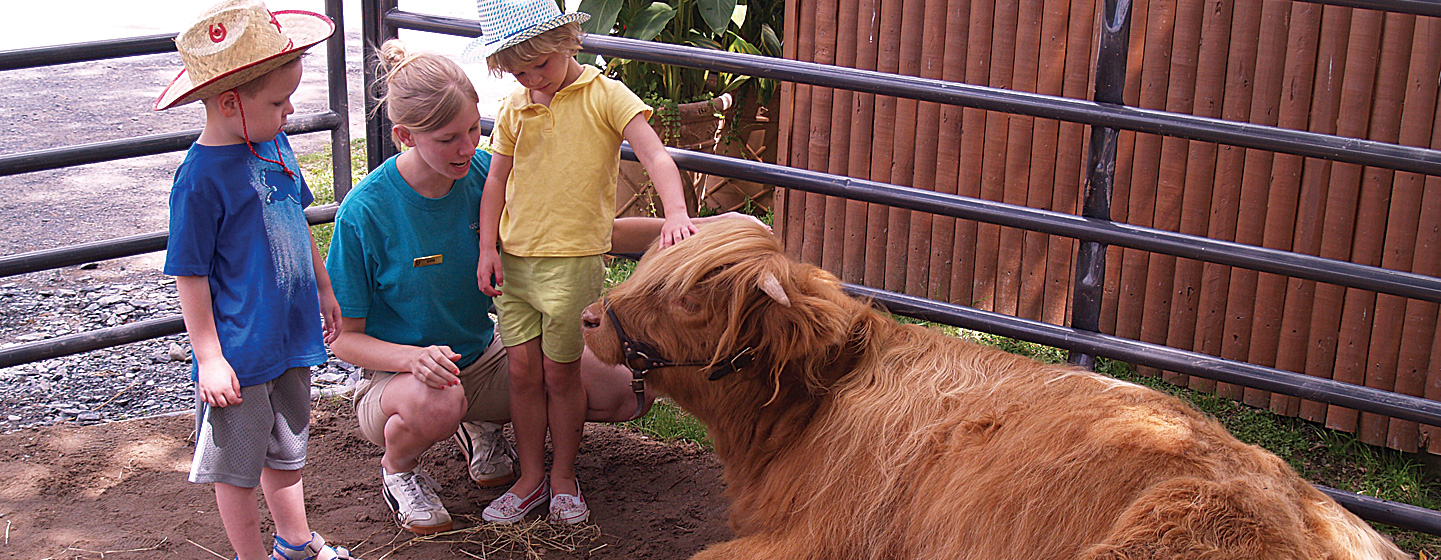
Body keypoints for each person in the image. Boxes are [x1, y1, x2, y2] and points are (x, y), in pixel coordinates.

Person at [327, 40, 763, 534]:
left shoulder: (479, 177)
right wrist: (410, 359)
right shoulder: (365, 212)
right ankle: (399, 471)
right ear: (405, 136)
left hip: (481, 356)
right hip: (400, 382)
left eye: (474, 129)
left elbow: (578, 235)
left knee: (621, 392)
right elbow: (342, 337)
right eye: (449, 138)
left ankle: (486, 428)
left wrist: (700, 227)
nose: (468, 147)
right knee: (439, 399)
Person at [464, 0, 698, 526]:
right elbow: (496, 180)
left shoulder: (606, 96)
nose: (532, 80)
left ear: (568, 40)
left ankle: (564, 476)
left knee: (561, 372)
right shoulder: (516, 106)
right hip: (516, 263)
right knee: (522, 371)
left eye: (539, 65)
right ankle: (529, 480)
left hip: (572, 265)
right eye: (518, 72)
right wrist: (486, 249)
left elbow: (656, 155)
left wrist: (676, 215)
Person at [156, 1, 357, 559]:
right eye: (278, 101)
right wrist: (211, 358)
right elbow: (190, 276)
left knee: (286, 448)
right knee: (238, 465)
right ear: (229, 103)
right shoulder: (198, 182)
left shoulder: (272, 143)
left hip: (289, 335)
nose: (290, 111)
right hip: (240, 352)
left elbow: (297, 216)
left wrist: (322, 285)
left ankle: (295, 542)